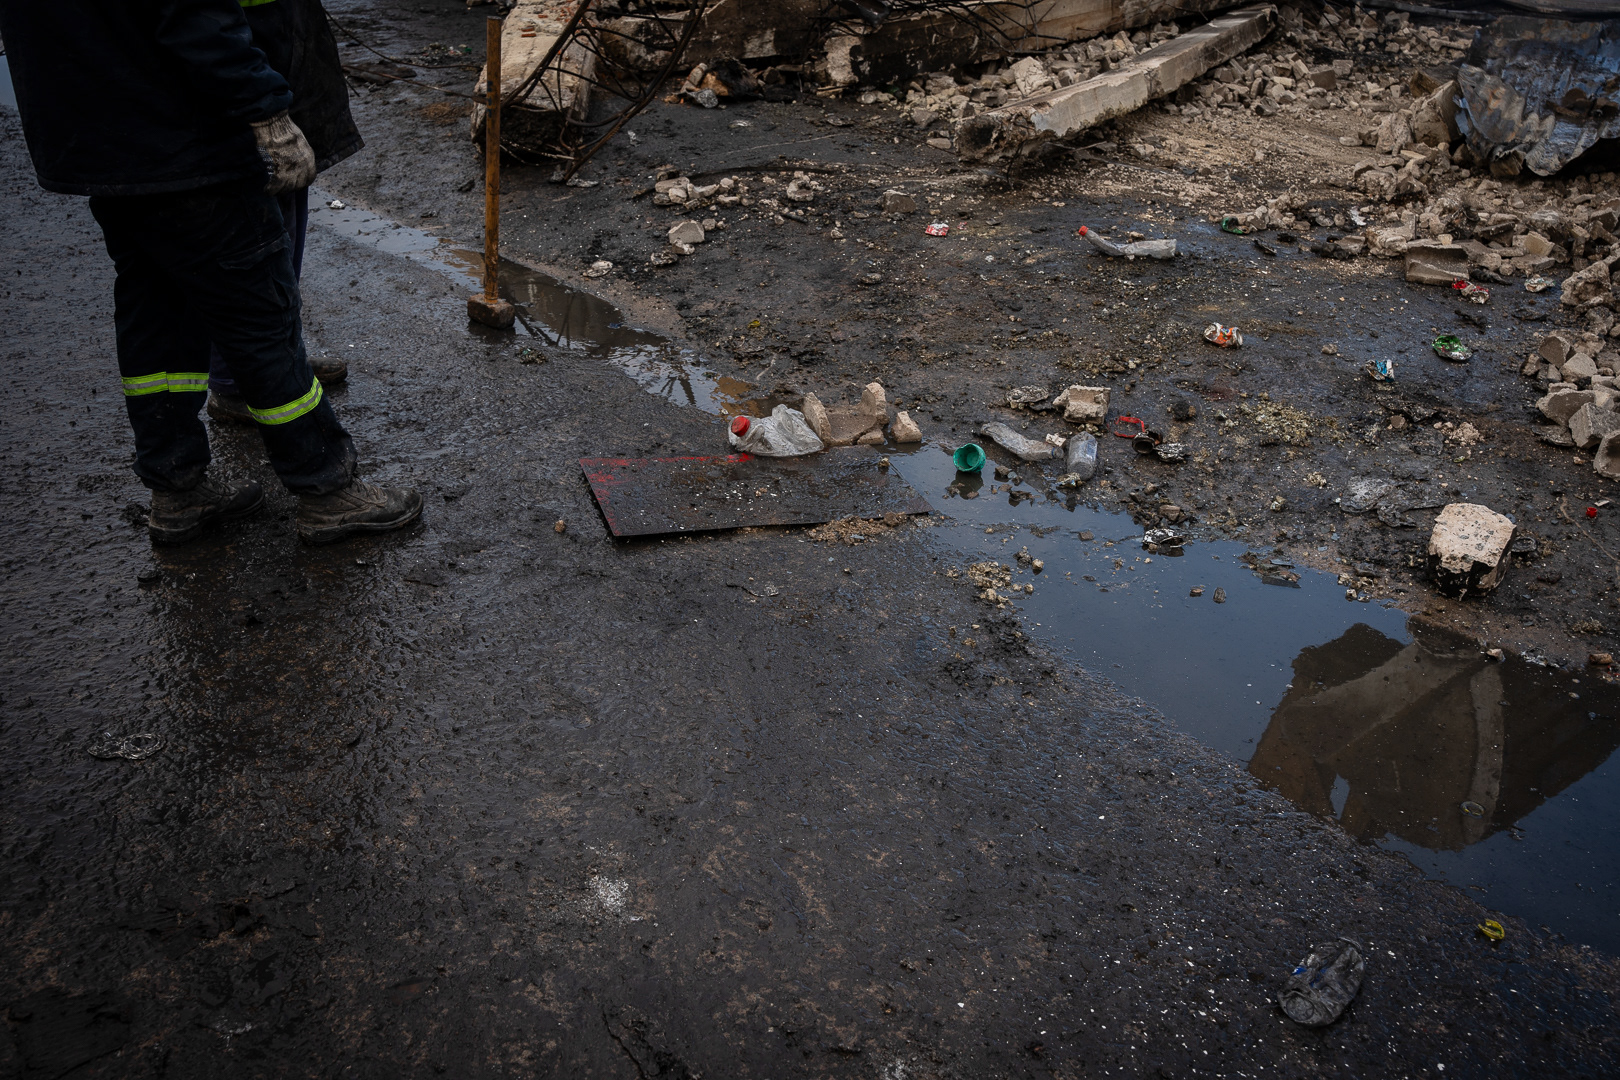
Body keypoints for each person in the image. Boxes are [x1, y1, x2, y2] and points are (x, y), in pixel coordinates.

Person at [0, 0, 421, 545]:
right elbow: (197, 16)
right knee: (259, 314)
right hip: (186, 145)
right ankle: (327, 490)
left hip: (101, 148)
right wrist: (267, 111)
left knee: (157, 316)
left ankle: (176, 491)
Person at [207, 0, 356, 425]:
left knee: (288, 218)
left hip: (277, 37)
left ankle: (280, 361)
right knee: (252, 238)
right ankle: (236, 383)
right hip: (243, 43)